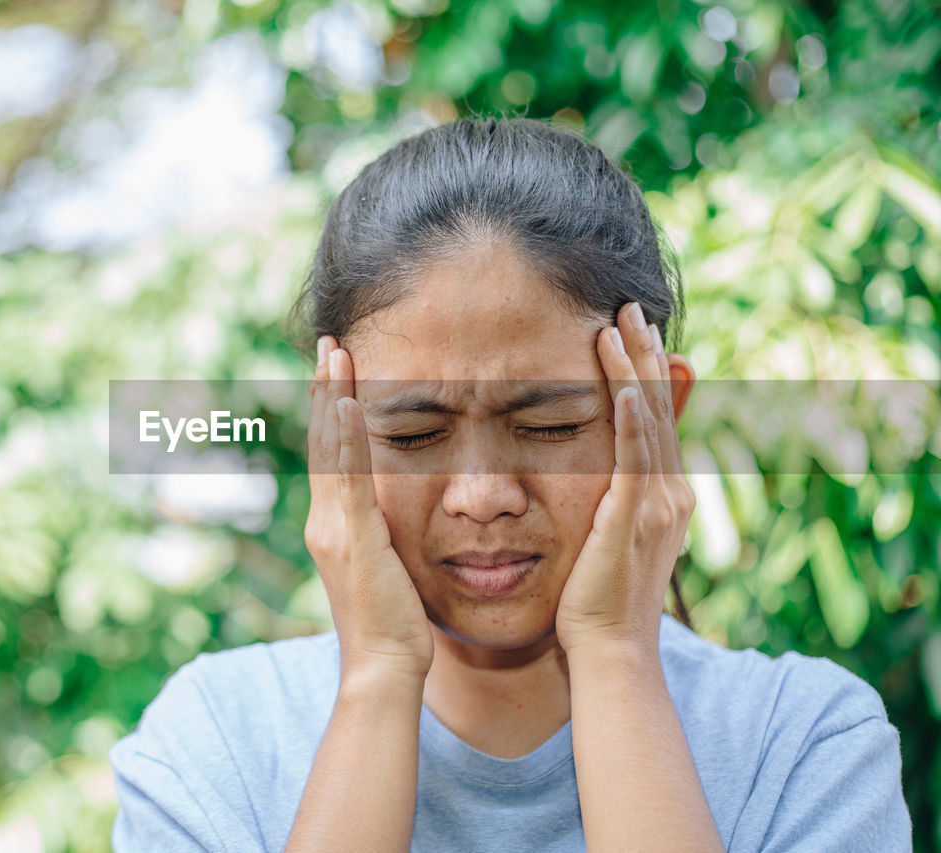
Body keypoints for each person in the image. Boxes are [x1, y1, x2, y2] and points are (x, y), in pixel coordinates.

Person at [107, 117, 911, 851]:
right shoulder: (213, 746)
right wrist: (380, 674)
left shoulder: (805, 746)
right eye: (414, 434)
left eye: (550, 425)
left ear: (663, 416)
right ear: (331, 435)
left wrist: (615, 659)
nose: (482, 493)